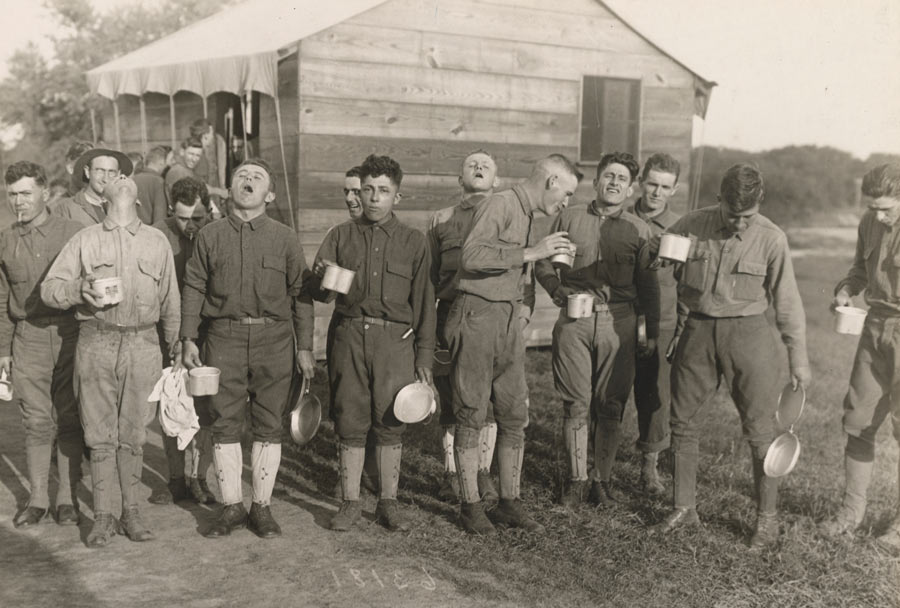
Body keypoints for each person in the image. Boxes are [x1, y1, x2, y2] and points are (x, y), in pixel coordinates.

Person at [650, 163, 810, 548]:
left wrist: (799, 358)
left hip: (749, 336)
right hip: (698, 332)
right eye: (731, 214)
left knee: (761, 433)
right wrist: (659, 257)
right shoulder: (692, 224)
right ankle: (684, 508)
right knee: (683, 422)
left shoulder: (773, 238)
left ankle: (766, 520)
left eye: (747, 217)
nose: (739, 224)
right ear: (718, 199)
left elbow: (787, 303)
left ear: (760, 203)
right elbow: (656, 255)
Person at [41, 175, 180, 548]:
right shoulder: (84, 239)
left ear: (138, 200)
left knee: (134, 434)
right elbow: (50, 289)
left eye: (127, 174)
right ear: (102, 198)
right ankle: (103, 516)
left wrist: (177, 344)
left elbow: (171, 299)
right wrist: (78, 290)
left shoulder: (156, 240)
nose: (121, 178)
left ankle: (131, 513)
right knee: (100, 435)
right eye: (113, 176)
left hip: (144, 344)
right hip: (96, 341)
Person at [181, 158, 316, 539]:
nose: (249, 181)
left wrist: (305, 346)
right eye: (242, 176)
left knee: (269, 425)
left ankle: (262, 508)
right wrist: (188, 336)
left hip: (274, 340)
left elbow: (301, 295)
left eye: (258, 177)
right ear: (230, 190)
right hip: (222, 338)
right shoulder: (209, 236)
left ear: (269, 194)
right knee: (224, 423)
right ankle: (231, 507)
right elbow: (193, 287)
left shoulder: (285, 238)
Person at [450, 153, 580, 534]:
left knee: (512, 414)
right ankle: (469, 505)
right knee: (471, 413)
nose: (566, 202)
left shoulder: (526, 214)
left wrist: (525, 306)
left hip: (507, 320)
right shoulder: (500, 203)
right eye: (567, 193)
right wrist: (532, 252)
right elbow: (471, 257)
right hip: (476, 316)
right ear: (552, 181)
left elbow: (519, 273)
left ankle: (508, 501)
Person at [309, 154, 435, 532]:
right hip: (349, 336)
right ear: (358, 192)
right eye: (368, 189)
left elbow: (425, 303)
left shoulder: (414, 242)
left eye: (384, 191)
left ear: (398, 196)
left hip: (395, 341)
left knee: (391, 419)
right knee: (350, 417)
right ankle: (349, 502)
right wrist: (322, 280)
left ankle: (388, 502)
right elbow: (320, 295)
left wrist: (424, 356)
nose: (375, 198)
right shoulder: (340, 236)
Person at [535, 152, 658, 507]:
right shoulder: (568, 216)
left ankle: (601, 481)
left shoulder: (639, 230)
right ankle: (576, 479)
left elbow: (649, 289)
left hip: (618, 322)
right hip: (575, 319)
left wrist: (646, 333)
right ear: (597, 180)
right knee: (576, 402)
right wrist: (554, 288)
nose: (615, 183)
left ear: (631, 187)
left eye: (622, 178)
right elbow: (543, 261)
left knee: (611, 404)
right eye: (609, 176)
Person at [821, 163, 900, 553]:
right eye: (873, 207)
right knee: (857, 422)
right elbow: (858, 270)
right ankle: (851, 514)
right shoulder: (869, 223)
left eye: (886, 208)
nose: (879, 215)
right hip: (874, 330)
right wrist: (845, 290)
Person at [1, 161, 85, 528]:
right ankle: (37, 499)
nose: (18, 202)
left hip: (71, 335)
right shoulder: (5, 241)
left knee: (68, 418)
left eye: (25, 193)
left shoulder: (75, 233)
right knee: (35, 421)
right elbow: (2, 300)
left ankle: (66, 499)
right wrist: (3, 350)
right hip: (28, 338)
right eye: (11, 195)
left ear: (45, 193)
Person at [428, 150, 503, 503]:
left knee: (482, 397)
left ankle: (481, 472)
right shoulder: (441, 220)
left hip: (488, 316)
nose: (478, 168)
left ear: (497, 181)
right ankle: (450, 473)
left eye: (485, 165)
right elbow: (427, 277)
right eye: (471, 165)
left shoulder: (507, 216)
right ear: (460, 179)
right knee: (447, 395)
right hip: (448, 314)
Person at [148, 177, 215, 506]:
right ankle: (176, 479)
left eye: (198, 218)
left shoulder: (217, 233)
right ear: (172, 210)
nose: (190, 225)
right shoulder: (157, 235)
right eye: (183, 217)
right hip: (168, 333)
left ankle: (199, 477)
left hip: (208, 332)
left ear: (208, 209)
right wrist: (172, 337)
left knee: (206, 406)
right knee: (171, 402)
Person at [625, 153, 682, 495]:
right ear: (641, 182)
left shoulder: (680, 228)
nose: (657, 193)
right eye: (652, 184)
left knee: (654, 393)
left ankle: (650, 466)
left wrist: (682, 326)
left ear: (674, 189)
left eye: (665, 187)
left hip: (658, 322)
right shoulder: (620, 216)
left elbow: (688, 281)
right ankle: (595, 460)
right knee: (607, 390)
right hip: (620, 316)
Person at [54, 148, 133, 228]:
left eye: (111, 172)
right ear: (87, 172)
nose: (105, 179)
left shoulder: (126, 207)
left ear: (119, 174)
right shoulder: (67, 209)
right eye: (100, 171)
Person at [166, 137, 228, 209]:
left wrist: (219, 192)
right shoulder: (178, 171)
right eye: (191, 154)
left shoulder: (186, 170)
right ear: (182, 152)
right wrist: (219, 192)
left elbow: (200, 186)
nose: (194, 159)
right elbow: (192, 194)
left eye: (197, 155)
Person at [134, 146, 169, 226]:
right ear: (161, 163)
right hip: (151, 231)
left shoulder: (133, 179)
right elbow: (160, 215)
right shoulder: (158, 181)